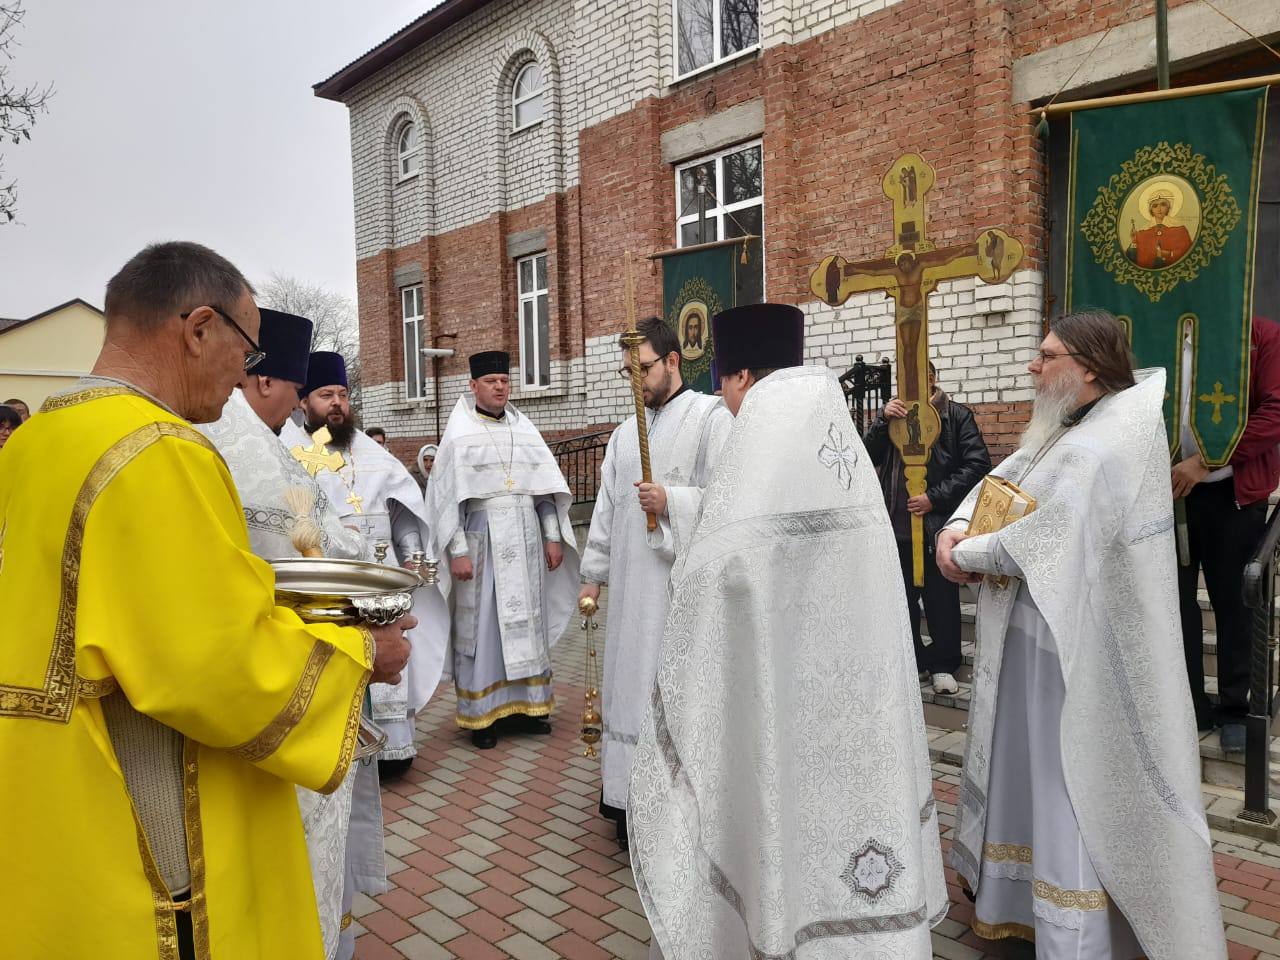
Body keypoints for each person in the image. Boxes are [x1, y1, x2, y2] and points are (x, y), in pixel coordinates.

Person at [0, 241, 413, 959]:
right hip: (147, 826)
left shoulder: (36, 437)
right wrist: (363, 654)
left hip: (47, 794)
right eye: (245, 350)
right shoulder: (158, 449)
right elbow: (216, 662)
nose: (244, 376)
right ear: (197, 329)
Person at [630, 304, 946, 960]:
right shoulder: (838, 445)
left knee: (781, 819)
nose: (721, 394)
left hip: (784, 707)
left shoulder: (762, 441)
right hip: (859, 716)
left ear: (742, 375)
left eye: (724, 380)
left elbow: (722, 573)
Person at [936, 310, 1225, 958]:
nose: (1033, 367)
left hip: (1072, 655)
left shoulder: (1108, 439)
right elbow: (1003, 476)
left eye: (1046, 355)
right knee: (1028, 773)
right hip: (1031, 639)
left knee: (1063, 780)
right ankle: (1018, 905)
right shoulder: (1067, 423)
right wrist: (955, 523)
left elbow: (1045, 535)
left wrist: (965, 553)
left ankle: (1074, 931)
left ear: (1088, 367)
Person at [196, 308, 382, 960]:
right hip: (289, 683)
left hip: (281, 672)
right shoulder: (252, 461)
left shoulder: (263, 443)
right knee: (294, 851)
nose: (300, 405)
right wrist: (375, 615)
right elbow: (306, 569)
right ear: (268, 382)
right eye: (295, 388)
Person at [579, 317, 732, 850]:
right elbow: (607, 510)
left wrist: (673, 502)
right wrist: (593, 577)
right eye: (628, 371)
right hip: (629, 597)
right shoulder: (624, 435)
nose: (635, 380)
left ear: (673, 361)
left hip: (679, 593)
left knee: (672, 690)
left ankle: (674, 808)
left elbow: (730, 499)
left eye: (642, 368)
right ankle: (625, 802)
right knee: (629, 689)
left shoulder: (711, 418)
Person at [283, 353, 448, 780]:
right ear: (304, 402)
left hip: (383, 571)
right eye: (325, 395)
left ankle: (395, 748)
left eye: (342, 394)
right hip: (333, 578)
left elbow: (401, 512)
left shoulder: (371, 451)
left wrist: (412, 551)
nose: (337, 403)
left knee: (389, 649)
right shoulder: (290, 453)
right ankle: (347, 746)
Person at [426, 351, 580, 750]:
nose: (499, 387)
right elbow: (446, 502)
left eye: (504, 381)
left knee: (527, 622)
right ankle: (483, 716)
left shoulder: (525, 430)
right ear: (473, 385)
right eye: (491, 381)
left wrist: (551, 536)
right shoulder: (459, 435)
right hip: (483, 542)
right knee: (485, 628)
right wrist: (456, 550)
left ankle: (529, 708)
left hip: (527, 540)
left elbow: (544, 491)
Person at [1174, 316, 1280, 750]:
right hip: (1168, 493)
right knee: (1176, 605)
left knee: (1235, 603)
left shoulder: (1258, 333)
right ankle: (1189, 705)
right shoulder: (1155, 326)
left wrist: (1208, 460)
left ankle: (1237, 707)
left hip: (1230, 494)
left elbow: (1275, 408)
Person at [865, 360, 991, 694]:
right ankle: (915, 661)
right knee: (901, 600)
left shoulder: (956, 416)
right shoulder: (893, 415)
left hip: (935, 527)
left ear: (932, 379)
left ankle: (943, 665)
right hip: (896, 527)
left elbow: (978, 464)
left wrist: (933, 498)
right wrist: (881, 421)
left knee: (941, 601)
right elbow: (868, 456)